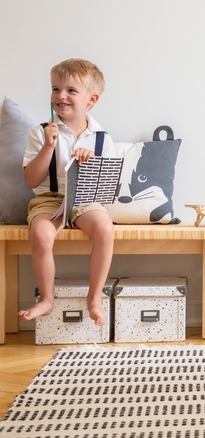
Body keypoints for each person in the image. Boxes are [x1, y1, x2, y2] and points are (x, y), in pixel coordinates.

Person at [18, 58, 116, 326]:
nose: (61, 96)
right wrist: (48, 147)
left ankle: (94, 297)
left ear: (91, 99)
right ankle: (47, 299)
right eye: (55, 89)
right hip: (49, 200)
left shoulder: (101, 138)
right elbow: (30, 180)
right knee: (40, 233)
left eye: (71, 90)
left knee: (105, 230)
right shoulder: (40, 133)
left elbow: (105, 187)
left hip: (85, 200)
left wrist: (90, 162)